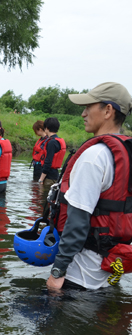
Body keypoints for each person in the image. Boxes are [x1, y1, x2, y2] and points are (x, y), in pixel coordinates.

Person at [47, 82, 132, 291]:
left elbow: (77, 223)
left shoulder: (94, 156)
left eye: (88, 107)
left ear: (108, 110)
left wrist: (57, 272)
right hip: (109, 269)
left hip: (79, 275)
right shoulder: (126, 153)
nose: (83, 113)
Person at [38, 117, 66, 185]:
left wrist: (41, 179)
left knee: (45, 195)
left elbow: (48, 162)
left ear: (46, 128)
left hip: (49, 177)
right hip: (55, 175)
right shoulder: (58, 140)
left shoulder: (51, 142)